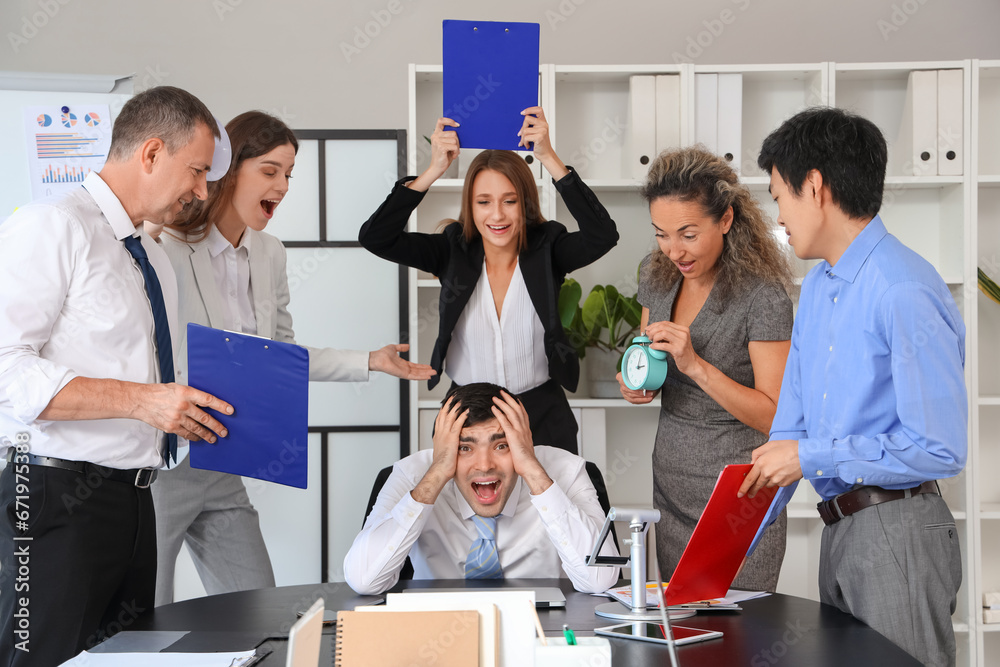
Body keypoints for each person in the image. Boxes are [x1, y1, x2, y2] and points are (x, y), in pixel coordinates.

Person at [151, 111, 436, 606]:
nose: (282, 187)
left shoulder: (269, 253)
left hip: (223, 464)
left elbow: (280, 357)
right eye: (270, 171)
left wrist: (369, 360)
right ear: (228, 168)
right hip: (163, 467)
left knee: (254, 605)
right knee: (142, 616)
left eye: (288, 175)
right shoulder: (166, 246)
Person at [0, 86, 234, 667]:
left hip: (136, 503)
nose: (202, 192)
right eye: (198, 171)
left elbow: (155, 377)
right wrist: (143, 402)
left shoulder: (151, 257)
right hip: (55, 500)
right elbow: (6, 368)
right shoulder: (52, 226)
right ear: (151, 152)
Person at [740, 107, 966, 667]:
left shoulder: (903, 289)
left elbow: (940, 446)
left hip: (899, 531)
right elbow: (792, 426)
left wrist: (809, 455)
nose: (779, 216)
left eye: (779, 196)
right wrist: (735, 531)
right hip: (839, 529)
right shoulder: (817, 288)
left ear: (813, 187)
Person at [358, 108, 619, 453]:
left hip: (540, 412)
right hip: (466, 414)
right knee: (465, 508)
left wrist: (549, 158)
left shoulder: (549, 248)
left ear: (525, 203)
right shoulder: (450, 250)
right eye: (484, 202)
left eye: (509, 201)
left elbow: (603, 235)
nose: (497, 215)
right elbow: (376, 237)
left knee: (553, 506)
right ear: (470, 204)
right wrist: (434, 169)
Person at [616, 146, 794, 592]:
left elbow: (775, 415)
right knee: (681, 636)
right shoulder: (656, 274)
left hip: (739, 494)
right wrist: (635, 382)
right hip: (671, 484)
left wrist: (696, 366)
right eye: (661, 234)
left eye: (688, 234)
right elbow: (648, 354)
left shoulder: (762, 295)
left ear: (727, 220)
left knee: (740, 636)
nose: (673, 250)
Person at [343, 382, 620, 595]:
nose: (485, 465)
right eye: (465, 448)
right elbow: (363, 580)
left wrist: (533, 471)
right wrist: (437, 474)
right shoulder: (411, 474)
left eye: (502, 445)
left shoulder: (567, 471)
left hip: (545, 629)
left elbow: (600, 579)